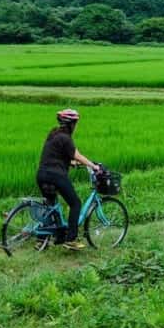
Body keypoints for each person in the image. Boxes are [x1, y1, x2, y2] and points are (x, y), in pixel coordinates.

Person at [36, 108, 100, 251]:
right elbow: (77, 155)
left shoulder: (53, 134)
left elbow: (55, 154)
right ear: (71, 124)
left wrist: (70, 163)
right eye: (76, 123)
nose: (76, 126)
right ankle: (71, 240)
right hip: (55, 175)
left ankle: (43, 239)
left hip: (41, 174)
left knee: (51, 205)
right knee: (75, 203)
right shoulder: (66, 138)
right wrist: (92, 166)